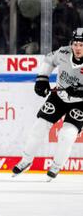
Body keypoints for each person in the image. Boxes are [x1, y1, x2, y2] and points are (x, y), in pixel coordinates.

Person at [12, 28, 83, 181]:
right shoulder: (64, 53)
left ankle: (56, 166)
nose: (78, 48)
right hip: (59, 97)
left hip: (80, 104)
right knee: (39, 127)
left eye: (82, 45)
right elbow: (49, 60)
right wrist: (42, 79)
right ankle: (26, 160)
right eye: (76, 44)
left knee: (67, 134)